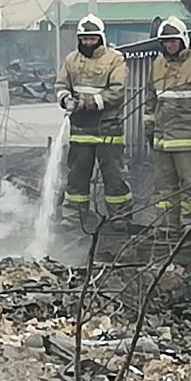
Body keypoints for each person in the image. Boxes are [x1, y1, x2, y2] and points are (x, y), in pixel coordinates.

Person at [143, 16, 191, 236]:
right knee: (164, 187)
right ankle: (166, 226)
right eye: (165, 42)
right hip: (163, 139)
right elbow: (151, 100)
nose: (169, 45)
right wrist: (149, 129)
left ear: (183, 40)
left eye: (173, 41)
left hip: (189, 140)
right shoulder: (157, 65)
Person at [54, 13, 131, 229]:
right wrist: (65, 98)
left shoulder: (115, 59)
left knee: (114, 178)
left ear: (101, 38)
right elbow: (61, 85)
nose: (88, 42)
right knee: (77, 179)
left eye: (92, 38)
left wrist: (87, 103)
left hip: (108, 130)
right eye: (84, 39)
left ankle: (120, 219)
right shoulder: (71, 60)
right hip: (79, 129)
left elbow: (117, 92)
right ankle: (74, 220)